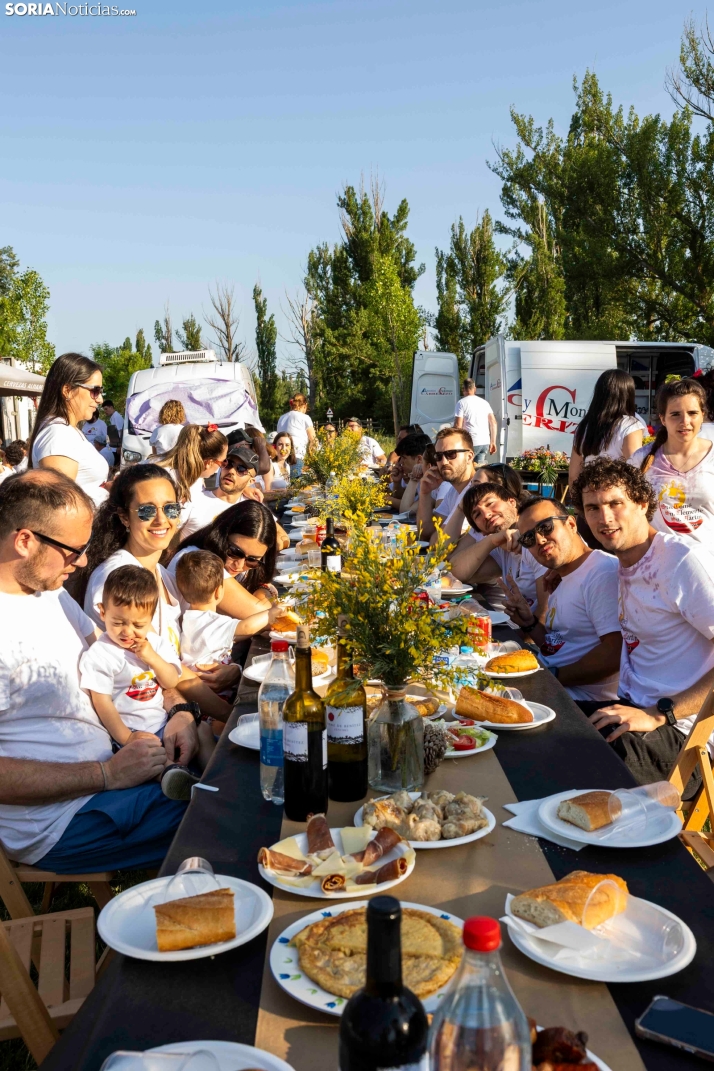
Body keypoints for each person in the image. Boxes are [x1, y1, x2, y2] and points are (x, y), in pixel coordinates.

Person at [0, 470, 194, 871]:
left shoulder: (48, 594)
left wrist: (176, 709)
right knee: (219, 814)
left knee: (230, 774)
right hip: (61, 819)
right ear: (24, 541)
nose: (84, 561)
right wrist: (106, 774)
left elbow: (128, 655)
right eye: (73, 550)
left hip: (118, 768)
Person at [571, 457, 714, 795]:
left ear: (642, 502)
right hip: (630, 709)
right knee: (546, 721)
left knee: (576, 768)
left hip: (684, 735)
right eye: (592, 508)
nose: (604, 518)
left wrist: (661, 713)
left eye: (615, 503)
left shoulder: (680, 562)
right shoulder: (623, 561)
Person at [81, 464, 240, 718]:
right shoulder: (116, 579)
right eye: (146, 510)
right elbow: (158, 666)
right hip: (145, 724)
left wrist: (232, 671)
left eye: (170, 508)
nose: (161, 519)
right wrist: (230, 715)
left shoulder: (163, 574)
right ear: (124, 517)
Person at [500, 496, 621, 705]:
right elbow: (557, 646)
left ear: (571, 524)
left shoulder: (601, 572)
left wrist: (551, 678)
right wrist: (529, 623)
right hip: (556, 687)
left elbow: (614, 653)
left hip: (582, 705)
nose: (539, 540)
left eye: (545, 527)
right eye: (528, 538)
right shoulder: (559, 576)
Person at [80, 565, 182, 746]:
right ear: (103, 612)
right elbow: (102, 703)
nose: (127, 632)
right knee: (153, 753)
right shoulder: (100, 654)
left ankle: (213, 771)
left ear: (150, 620)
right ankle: (172, 772)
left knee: (202, 732)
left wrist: (153, 659)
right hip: (129, 729)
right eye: (118, 622)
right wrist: (126, 738)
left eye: (138, 625)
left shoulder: (156, 644)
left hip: (162, 722)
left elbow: (171, 681)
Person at [627, 377, 714, 545]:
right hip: (657, 564)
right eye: (675, 414)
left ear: (703, 415)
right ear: (662, 419)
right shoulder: (641, 459)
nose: (685, 422)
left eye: (692, 413)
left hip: (708, 564)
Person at [28, 352, 109, 506]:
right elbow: (59, 505)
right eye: (95, 391)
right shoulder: (59, 434)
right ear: (68, 390)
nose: (100, 399)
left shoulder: (67, 431)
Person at [175, 550, 279, 670]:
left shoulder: (188, 620)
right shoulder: (212, 622)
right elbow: (246, 627)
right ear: (219, 591)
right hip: (216, 686)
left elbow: (235, 634)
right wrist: (272, 613)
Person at [449, 481, 546, 605]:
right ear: (481, 531)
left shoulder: (540, 537)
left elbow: (545, 613)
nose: (486, 514)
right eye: (477, 514)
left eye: (490, 503)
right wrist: (491, 540)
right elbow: (456, 572)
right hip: (517, 622)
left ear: (512, 503)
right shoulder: (501, 547)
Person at [169, 499, 280, 609]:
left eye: (252, 560)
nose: (239, 565)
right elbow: (264, 614)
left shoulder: (226, 562)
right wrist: (267, 590)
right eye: (235, 552)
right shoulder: (198, 562)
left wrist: (264, 589)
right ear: (220, 536)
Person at [569, 370, 646, 486]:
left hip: (589, 494)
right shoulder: (630, 425)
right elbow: (635, 469)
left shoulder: (584, 426)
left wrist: (581, 502)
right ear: (628, 394)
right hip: (617, 495)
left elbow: (574, 475)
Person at [155, 424, 228, 534]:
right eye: (223, 462)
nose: (224, 466)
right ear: (208, 463)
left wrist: (242, 489)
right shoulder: (161, 478)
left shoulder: (196, 479)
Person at [180, 444, 263, 539]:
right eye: (229, 464)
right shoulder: (195, 499)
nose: (231, 471)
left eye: (241, 469)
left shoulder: (252, 507)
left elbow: (279, 535)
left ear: (250, 481)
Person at [416, 427, 477, 542]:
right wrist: (425, 493)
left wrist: (435, 536)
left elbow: (439, 542)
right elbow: (425, 532)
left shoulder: (477, 491)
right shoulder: (453, 491)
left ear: (469, 456)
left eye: (451, 454)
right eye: (438, 456)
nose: (443, 462)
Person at [453, 379, 497, 463]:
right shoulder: (484, 403)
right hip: (484, 442)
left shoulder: (461, 403)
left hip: (470, 442)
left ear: (463, 389)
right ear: (475, 388)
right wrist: (493, 442)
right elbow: (493, 423)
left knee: (466, 469)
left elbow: (458, 425)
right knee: (478, 470)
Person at [390, 432, 432, 511]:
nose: (400, 462)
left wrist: (386, 499)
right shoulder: (421, 475)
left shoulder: (433, 481)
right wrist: (397, 483)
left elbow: (406, 510)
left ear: (419, 459)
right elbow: (403, 499)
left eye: (404, 458)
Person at [276, 393, 315, 477]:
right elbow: (313, 440)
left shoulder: (281, 418)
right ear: (305, 405)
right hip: (296, 456)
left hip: (281, 456)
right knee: (295, 485)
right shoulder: (305, 417)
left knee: (284, 483)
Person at [260, 432, 293, 497]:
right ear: (274, 447)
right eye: (280, 444)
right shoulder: (271, 465)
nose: (284, 449)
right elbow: (266, 493)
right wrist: (285, 493)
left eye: (287, 445)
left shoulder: (287, 466)